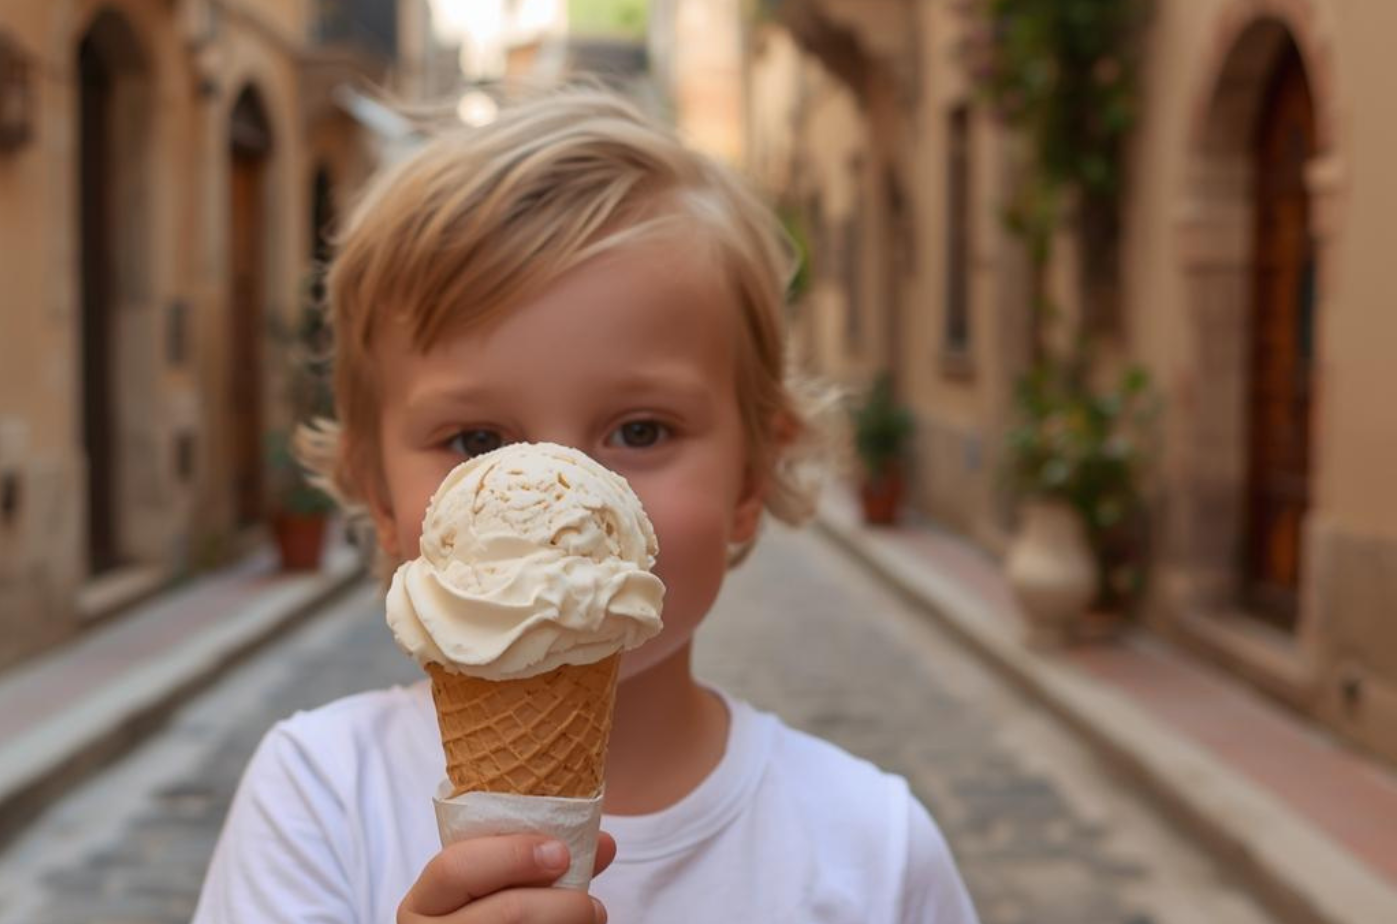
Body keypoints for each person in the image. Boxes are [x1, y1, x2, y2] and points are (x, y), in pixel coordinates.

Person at [191, 87, 980, 924]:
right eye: (477, 442)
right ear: (379, 493)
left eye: (640, 430)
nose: (566, 508)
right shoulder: (317, 800)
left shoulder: (876, 852)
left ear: (753, 477)